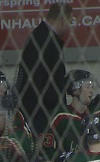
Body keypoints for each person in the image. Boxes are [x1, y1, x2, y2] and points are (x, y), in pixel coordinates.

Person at [15, 3, 72, 135]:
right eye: (69, 21)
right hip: (41, 114)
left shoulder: (41, 36)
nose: (69, 26)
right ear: (63, 19)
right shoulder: (44, 40)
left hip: (39, 110)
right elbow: (37, 80)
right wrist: (54, 108)